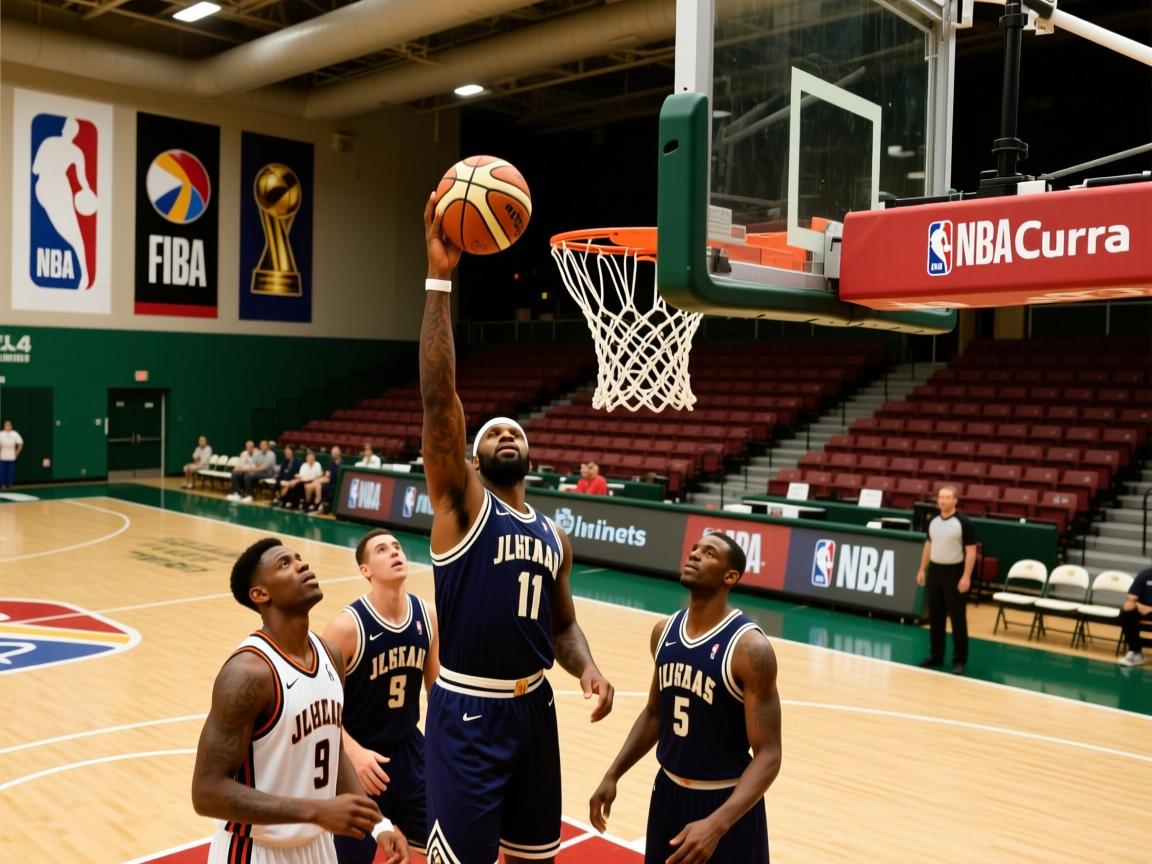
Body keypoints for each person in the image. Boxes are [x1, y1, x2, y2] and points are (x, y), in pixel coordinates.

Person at [419, 191, 614, 863]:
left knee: (537, 858)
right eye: (493, 432)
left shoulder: (554, 536)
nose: (507, 434)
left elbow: (562, 627)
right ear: (471, 457)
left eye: (516, 432)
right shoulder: (462, 504)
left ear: (531, 454)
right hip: (468, 710)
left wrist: (587, 667)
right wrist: (439, 279)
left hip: (536, 711)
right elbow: (439, 399)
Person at [191, 537, 408, 864]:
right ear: (260, 594)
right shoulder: (249, 673)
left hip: (317, 846)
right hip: (255, 850)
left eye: (298, 558)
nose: (301, 565)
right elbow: (206, 792)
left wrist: (378, 825)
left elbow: (332, 748)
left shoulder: (331, 655)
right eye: (285, 564)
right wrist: (316, 810)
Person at [589, 532, 781, 864]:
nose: (694, 554)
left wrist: (717, 824)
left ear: (730, 576)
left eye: (709, 553)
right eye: (694, 549)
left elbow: (769, 754)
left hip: (726, 801)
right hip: (668, 792)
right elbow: (655, 714)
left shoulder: (750, 649)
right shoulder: (663, 632)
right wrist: (613, 773)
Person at [322, 530, 440, 861]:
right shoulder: (346, 627)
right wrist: (352, 753)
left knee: (448, 848)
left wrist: (451, 748)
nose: (394, 552)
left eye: (397, 547)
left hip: (410, 754)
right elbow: (319, 705)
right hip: (358, 761)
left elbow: (437, 693)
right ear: (365, 570)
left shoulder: (427, 615)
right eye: (382, 550)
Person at [916, 484, 976, 675]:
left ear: (955, 500)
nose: (942, 500)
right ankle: (936, 655)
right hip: (935, 571)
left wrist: (966, 576)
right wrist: (922, 569)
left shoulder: (964, 522)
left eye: (947, 497)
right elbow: (928, 545)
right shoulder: (933, 521)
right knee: (936, 617)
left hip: (954, 572)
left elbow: (971, 551)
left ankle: (959, 661)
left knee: (957, 619)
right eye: (940, 497)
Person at [1117, 565, 1152, 667]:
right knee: (1126, 611)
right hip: (1143, 609)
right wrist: (1137, 605)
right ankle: (1135, 652)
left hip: (1149, 609)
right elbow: (1131, 598)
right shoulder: (1145, 575)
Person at [305, 446, 343, 514]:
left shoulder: (342, 463)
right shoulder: (331, 462)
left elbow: (331, 477)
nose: (332, 453)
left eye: (334, 452)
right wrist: (319, 479)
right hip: (327, 481)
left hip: (334, 484)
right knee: (308, 486)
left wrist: (320, 480)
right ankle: (308, 504)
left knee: (317, 485)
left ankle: (317, 505)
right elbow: (326, 474)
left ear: (339, 453)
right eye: (332, 452)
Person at [0, 420, 24, 490]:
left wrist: (17, 453)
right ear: (4, 426)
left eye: (9, 425)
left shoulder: (15, 434)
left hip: (11, 456)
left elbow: (21, 443)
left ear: (11, 426)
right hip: (2, 456)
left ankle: (9, 485)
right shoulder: (1, 434)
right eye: (6, 425)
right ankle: (1, 485)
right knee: (1, 471)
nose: (7, 426)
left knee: (10, 472)